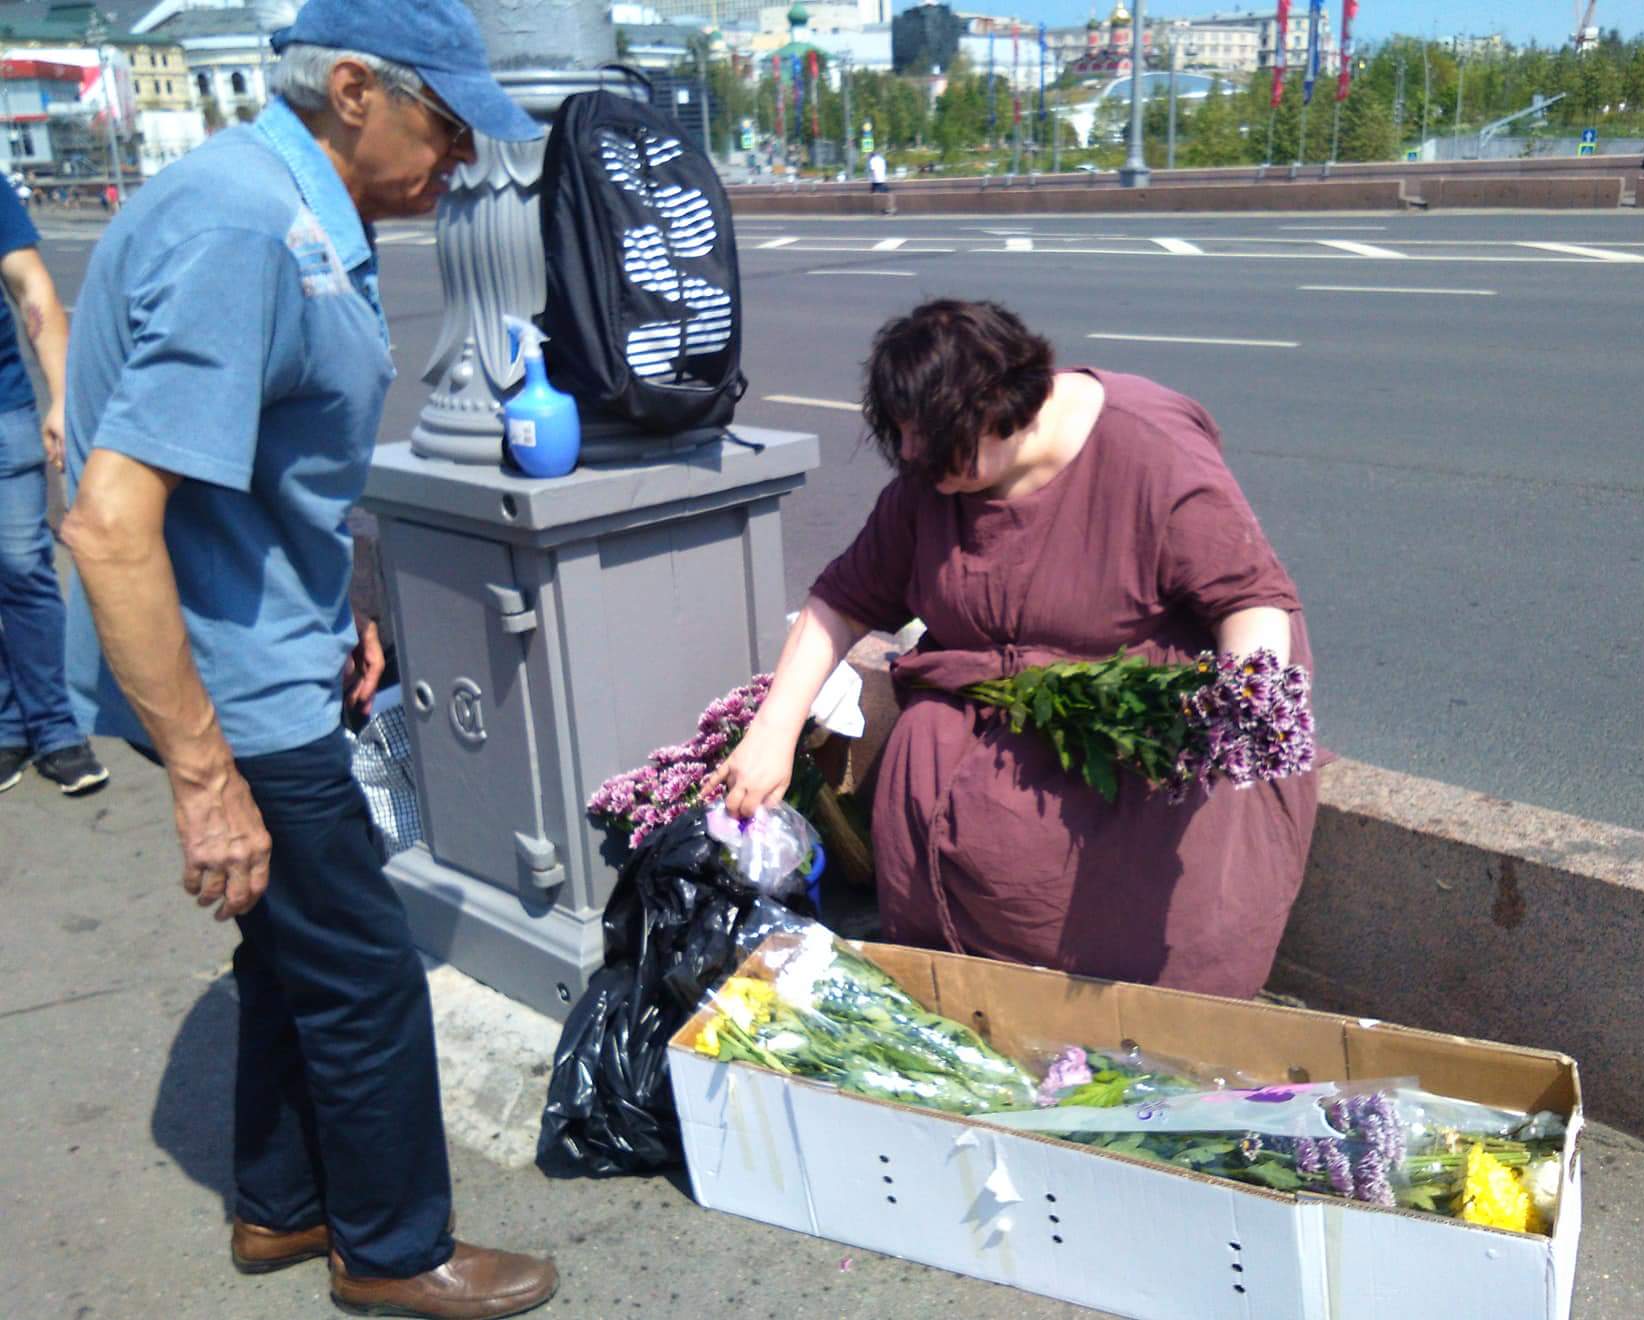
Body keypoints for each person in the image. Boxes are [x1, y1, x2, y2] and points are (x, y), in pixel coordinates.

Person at [58, 3, 559, 1316]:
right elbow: (112, 524)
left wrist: (342, 599)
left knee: (291, 953)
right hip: (233, 683)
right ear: (351, 90)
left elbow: (270, 465)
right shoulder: (245, 233)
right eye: (446, 127)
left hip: (270, 640)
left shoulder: (285, 204)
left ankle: (281, 1207)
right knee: (366, 969)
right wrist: (203, 772)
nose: (460, 162)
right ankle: (393, 1250)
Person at [710, 300, 1318, 999]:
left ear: (1013, 413)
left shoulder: (1151, 449)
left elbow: (1252, 601)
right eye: (903, 440)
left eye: (935, 449)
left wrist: (1240, 711)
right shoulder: (930, 482)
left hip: (1131, 766)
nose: (912, 460)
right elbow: (840, 601)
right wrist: (773, 729)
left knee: (1145, 985)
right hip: (972, 773)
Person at [0, 175, 109, 797]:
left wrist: (63, 396)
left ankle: (58, 729)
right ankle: (8, 728)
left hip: (3, 410)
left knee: (23, 569)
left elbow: (30, 283)